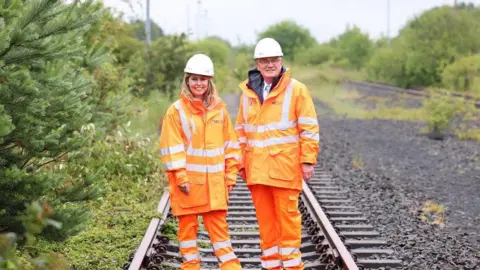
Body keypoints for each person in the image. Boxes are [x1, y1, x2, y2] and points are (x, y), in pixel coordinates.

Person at [235, 38, 320, 270]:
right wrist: (240, 163)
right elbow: (241, 131)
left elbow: (309, 127)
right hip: (257, 170)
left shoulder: (297, 90)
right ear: (258, 63)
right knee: (266, 223)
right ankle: (271, 266)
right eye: (265, 60)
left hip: (284, 168)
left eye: (274, 60)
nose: (270, 64)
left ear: (281, 61)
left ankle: (292, 267)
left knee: (288, 220)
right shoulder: (248, 93)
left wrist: (307, 160)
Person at [159, 53, 242, 270]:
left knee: (221, 236)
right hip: (188, 185)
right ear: (187, 80)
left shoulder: (219, 110)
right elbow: (171, 147)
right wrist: (181, 177)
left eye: (203, 79)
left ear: (209, 81)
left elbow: (230, 146)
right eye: (194, 79)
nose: (198, 83)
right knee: (187, 234)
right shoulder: (176, 111)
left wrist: (231, 176)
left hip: (215, 186)